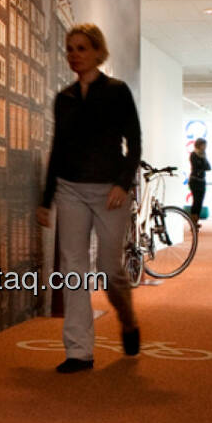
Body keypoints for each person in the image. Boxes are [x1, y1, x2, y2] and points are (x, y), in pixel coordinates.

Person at [36, 24, 141, 373]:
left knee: (109, 270)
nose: (74, 55)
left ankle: (127, 320)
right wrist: (46, 198)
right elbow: (59, 149)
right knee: (72, 270)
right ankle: (78, 351)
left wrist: (123, 184)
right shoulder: (63, 99)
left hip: (109, 192)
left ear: (98, 52)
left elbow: (134, 143)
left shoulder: (117, 92)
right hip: (70, 189)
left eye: (81, 48)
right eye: (69, 48)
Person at [188, 138, 210, 223]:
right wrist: (202, 164)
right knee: (196, 201)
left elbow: (208, 167)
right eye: (203, 145)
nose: (205, 147)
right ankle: (193, 220)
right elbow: (197, 166)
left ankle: (196, 219)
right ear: (199, 145)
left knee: (200, 201)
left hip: (202, 181)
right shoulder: (193, 154)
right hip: (194, 181)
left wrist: (203, 160)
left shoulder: (203, 155)